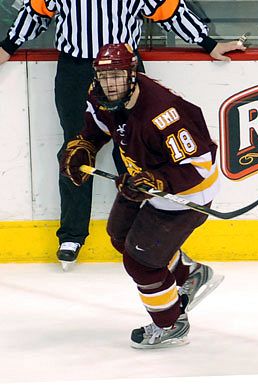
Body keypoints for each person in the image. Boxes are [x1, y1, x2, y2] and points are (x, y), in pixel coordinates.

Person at [0, 1, 246, 268]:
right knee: (77, 149)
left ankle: (144, 233)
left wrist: (208, 43)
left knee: (132, 148)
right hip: (75, 70)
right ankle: (72, 234)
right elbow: (35, 13)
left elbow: (168, 10)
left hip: (123, 70)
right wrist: (6, 47)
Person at [60, 43, 225, 348]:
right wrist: (84, 147)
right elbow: (96, 128)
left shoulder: (164, 113)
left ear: (132, 73)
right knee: (119, 235)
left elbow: (199, 168)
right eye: (104, 76)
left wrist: (157, 182)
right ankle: (190, 273)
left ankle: (171, 323)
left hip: (187, 193)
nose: (111, 84)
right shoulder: (101, 95)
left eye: (118, 76)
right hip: (143, 180)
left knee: (141, 264)